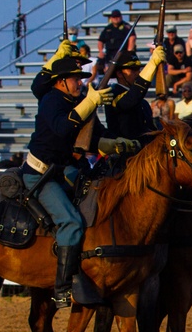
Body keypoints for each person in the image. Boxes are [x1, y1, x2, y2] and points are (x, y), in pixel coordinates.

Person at [22, 43, 128, 309]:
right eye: (75, 78)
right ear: (60, 82)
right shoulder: (51, 100)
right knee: (71, 222)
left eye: (81, 78)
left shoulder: (77, 101)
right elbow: (61, 128)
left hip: (63, 169)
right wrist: (90, 102)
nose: (80, 82)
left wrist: (119, 143)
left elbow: (95, 135)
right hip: (41, 173)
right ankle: (62, 286)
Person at [105, 45, 167, 142]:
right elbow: (130, 100)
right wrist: (152, 64)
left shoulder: (144, 103)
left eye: (138, 69)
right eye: (133, 69)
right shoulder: (112, 94)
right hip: (123, 152)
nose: (137, 73)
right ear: (119, 74)